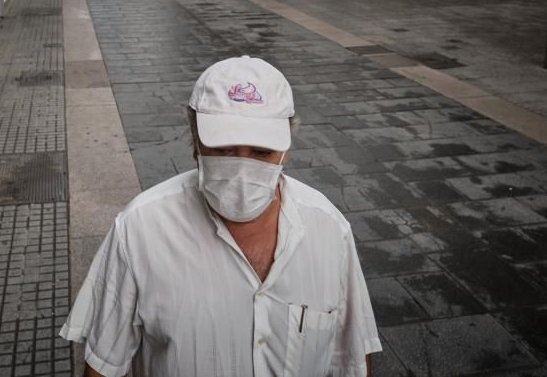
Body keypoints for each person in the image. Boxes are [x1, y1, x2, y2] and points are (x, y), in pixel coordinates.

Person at [60, 56, 381, 377]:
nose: (242, 168)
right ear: (195, 143)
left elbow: (352, 357)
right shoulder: (139, 229)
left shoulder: (329, 228)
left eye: (260, 152)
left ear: (286, 151)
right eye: (224, 149)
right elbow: (103, 365)